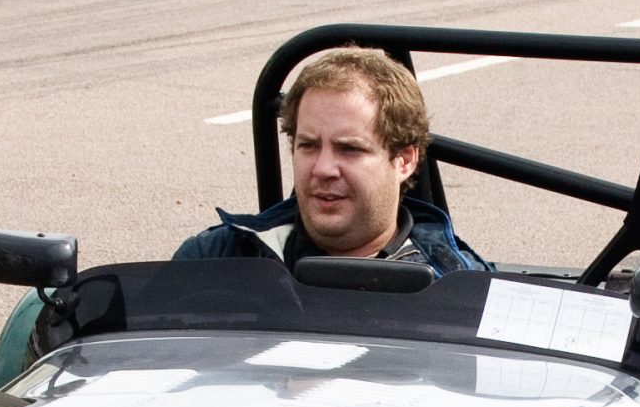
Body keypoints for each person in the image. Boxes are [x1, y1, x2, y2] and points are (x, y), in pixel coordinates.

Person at [175, 50, 488, 273]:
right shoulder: (215, 260)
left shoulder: (456, 288)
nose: (323, 169)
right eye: (308, 146)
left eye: (349, 149)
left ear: (404, 160)